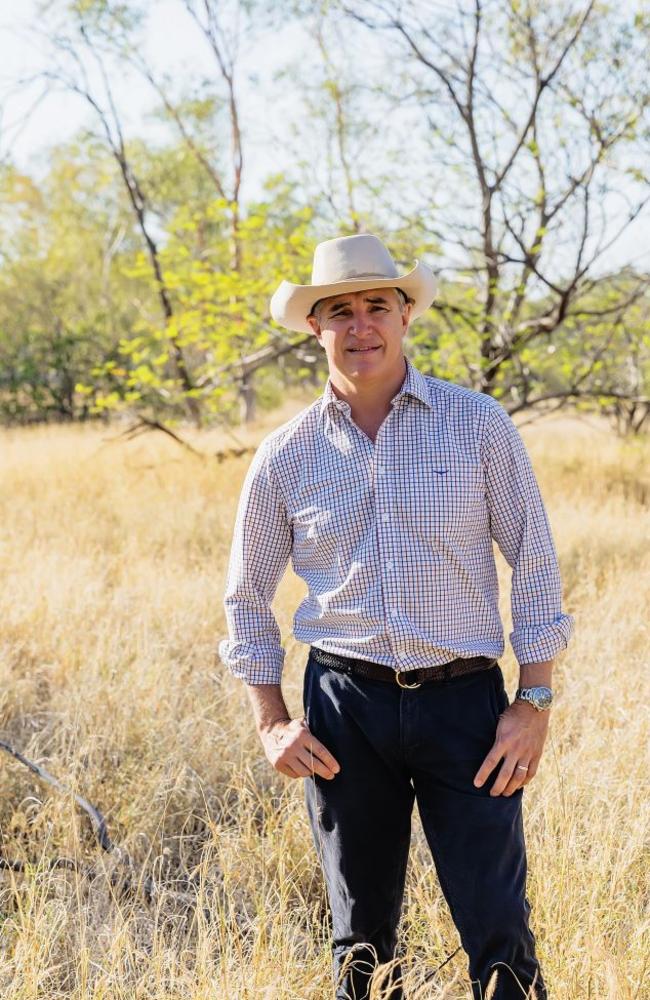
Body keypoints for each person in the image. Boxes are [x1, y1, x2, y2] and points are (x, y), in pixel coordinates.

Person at [219, 233, 573, 999]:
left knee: (500, 934)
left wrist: (533, 700)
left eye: (377, 305)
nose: (360, 326)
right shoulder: (285, 455)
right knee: (361, 945)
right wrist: (271, 720)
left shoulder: (477, 424)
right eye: (339, 311)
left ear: (406, 312)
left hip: (468, 711)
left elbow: (535, 561)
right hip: (346, 711)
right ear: (315, 328)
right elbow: (247, 597)